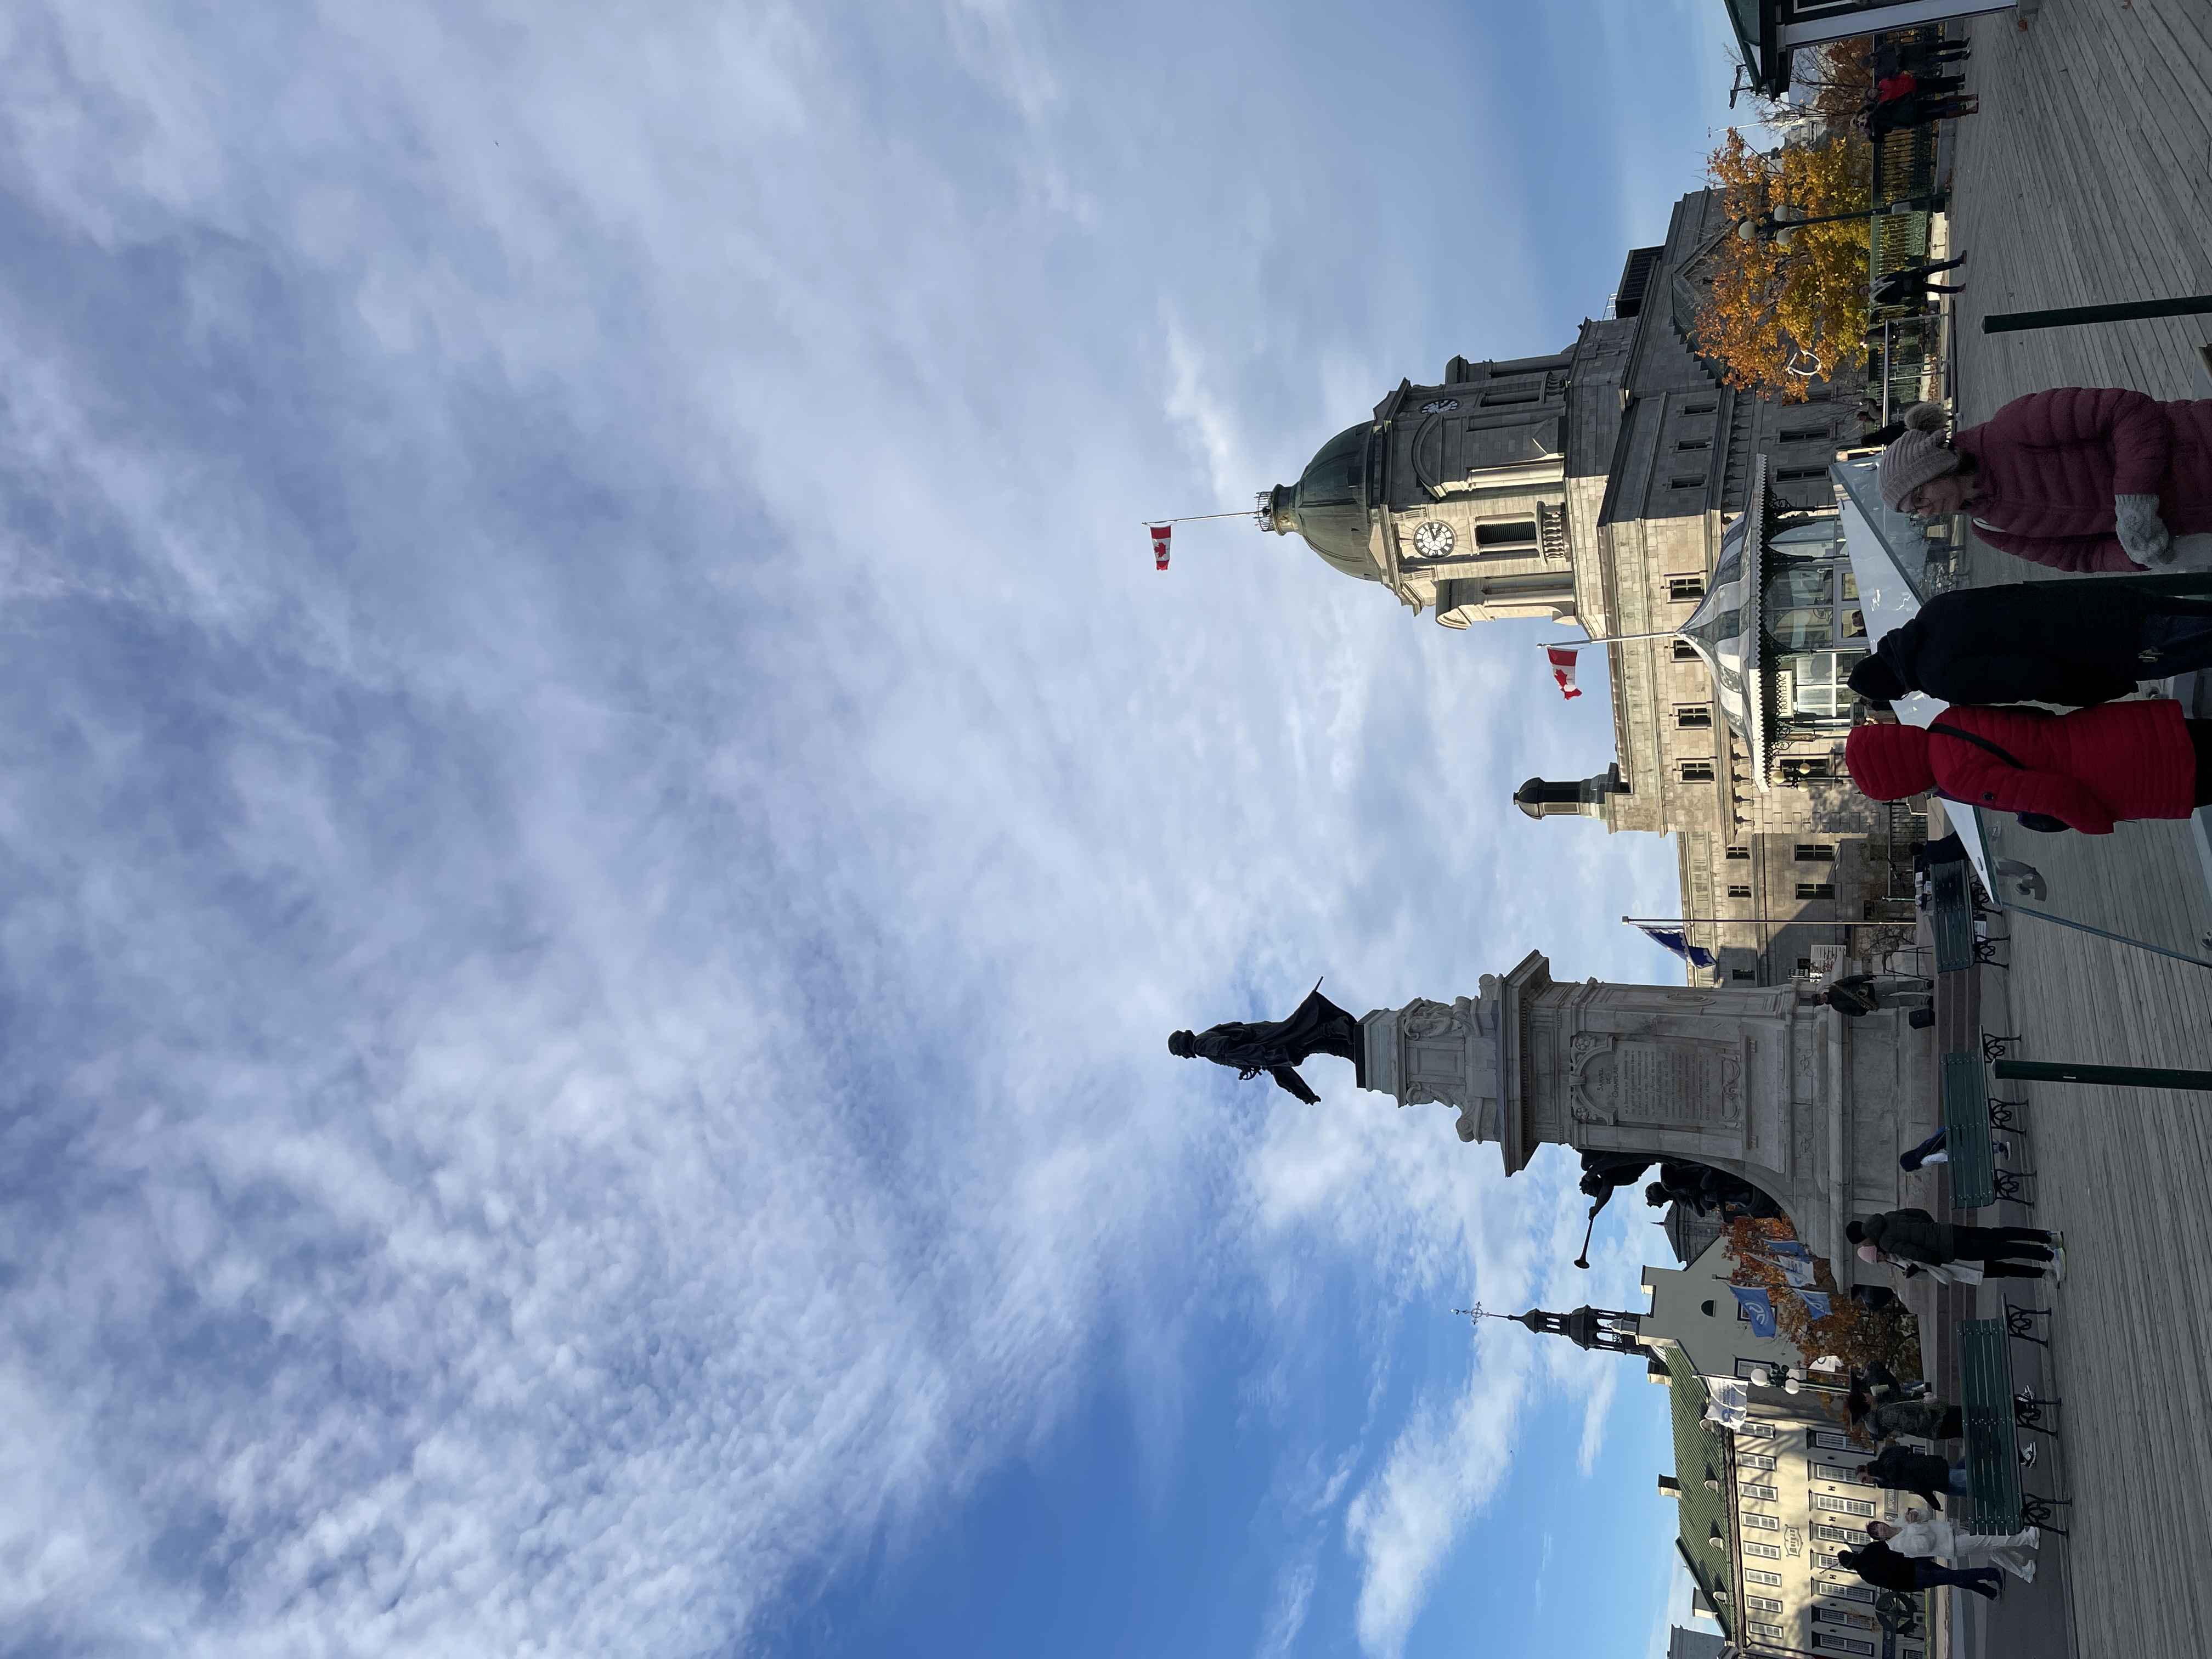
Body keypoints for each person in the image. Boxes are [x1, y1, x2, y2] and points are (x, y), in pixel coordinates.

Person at [1878, 392, 2212, 574]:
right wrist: (2137, 555)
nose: (1925, 513)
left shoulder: (2009, 429)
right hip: (2201, 517)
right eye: (1915, 512)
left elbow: (2127, 411)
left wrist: (2133, 500)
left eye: (1918, 498)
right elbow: (2082, 557)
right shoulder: (1989, 529)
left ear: (1934, 467)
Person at [1843, 701, 2212, 835]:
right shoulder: (1947, 720)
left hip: (2134, 776)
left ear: (1902, 783)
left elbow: (2054, 794)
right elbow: (2032, 715)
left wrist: (2094, 824)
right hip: (2112, 729)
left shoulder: (1956, 778)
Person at [1847, 582, 2212, 710]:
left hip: (2106, 652)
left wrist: (2103, 689)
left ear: (1896, 688)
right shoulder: (1934, 610)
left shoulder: (1942, 680)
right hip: (2102, 604)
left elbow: (2034, 679)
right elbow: (2017, 593)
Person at [1169, 983, 1361, 1103]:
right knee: (1304, 1045)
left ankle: (1334, 1028)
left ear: (1182, 1046)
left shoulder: (1199, 1046)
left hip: (1262, 1044)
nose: (1183, 1056)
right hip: (1261, 1044)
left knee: (1299, 1041)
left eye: (1179, 1053)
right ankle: (1347, 1049)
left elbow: (1226, 1045)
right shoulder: (1204, 1038)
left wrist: (1246, 1061)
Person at [1847, 1209, 2066, 1280]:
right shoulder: (1888, 1216)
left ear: (1864, 1238)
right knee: (1998, 1235)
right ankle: (2048, 1237)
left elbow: (1918, 1253)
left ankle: (2049, 1256)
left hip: (1948, 1248)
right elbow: (1920, 1214)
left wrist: (1935, 1259)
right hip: (1949, 1230)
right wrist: (1932, 1229)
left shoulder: (1886, 1242)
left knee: (2001, 1251)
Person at [1872, 1510, 2041, 1583]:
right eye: (1877, 1532)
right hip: (1950, 1545)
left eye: (1878, 1526)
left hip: (1949, 1531)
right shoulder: (1899, 1545)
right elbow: (1926, 1545)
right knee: (1988, 1539)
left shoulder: (1899, 1522)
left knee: (1992, 1550)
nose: (1880, 1529)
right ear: (1881, 1538)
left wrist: (1916, 1514)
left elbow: (1927, 1515)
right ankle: (2026, 1538)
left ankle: (2024, 1573)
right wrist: (1914, 1526)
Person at [1837, 1539, 2002, 1600]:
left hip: (1915, 1579)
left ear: (1850, 1567)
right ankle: (1988, 1591)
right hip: (1916, 1563)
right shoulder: (1870, 1549)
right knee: (1953, 1577)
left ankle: (1990, 1574)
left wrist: (1914, 1588)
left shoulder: (1867, 1576)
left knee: (1954, 1577)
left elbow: (1892, 1585)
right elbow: (1894, 1546)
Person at [1873, 253, 1968, 307]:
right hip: (1910, 287)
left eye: (1865, 288)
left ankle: (1959, 261)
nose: (1866, 290)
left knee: (1934, 268)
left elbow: (1891, 276)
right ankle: (1958, 289)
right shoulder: (1877, 297)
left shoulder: (1876, 281)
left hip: (1911, 275)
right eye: (1865, 292)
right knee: (1934, 288)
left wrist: (1902, 274)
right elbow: (1893, 301)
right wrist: (1900, 291)